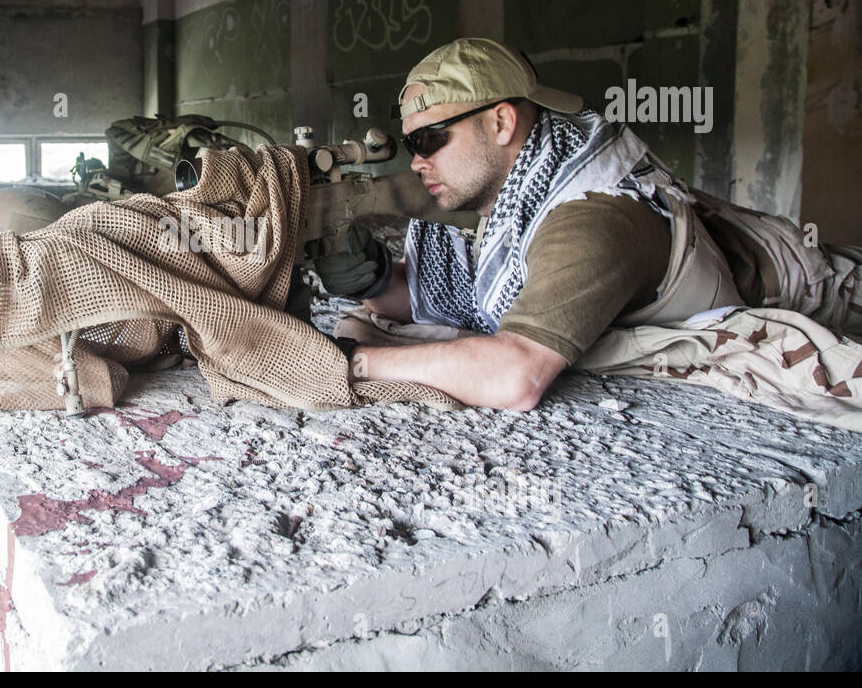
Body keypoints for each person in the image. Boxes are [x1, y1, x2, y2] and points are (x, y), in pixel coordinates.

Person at [314, 37, 759, 411]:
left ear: (501, 122)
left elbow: (515, 376)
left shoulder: (591, 214)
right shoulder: (520, 188)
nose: (417, 161)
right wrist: (374, 285)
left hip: (791, 276)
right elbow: (470, 304)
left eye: (429, 139)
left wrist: (354, 361)